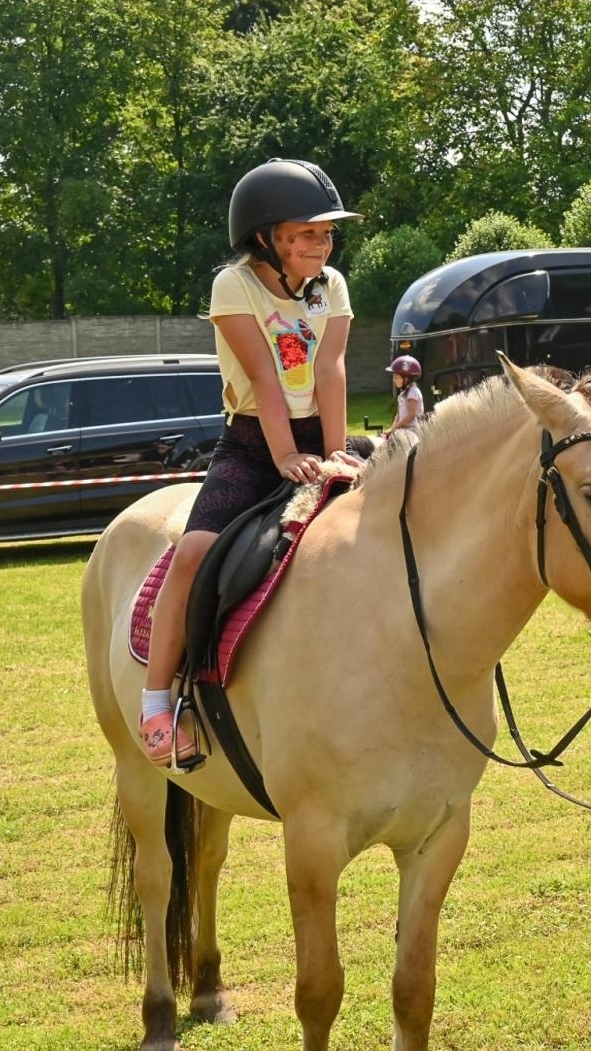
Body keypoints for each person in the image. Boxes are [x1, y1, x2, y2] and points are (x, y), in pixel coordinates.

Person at [138, 158, 364, 768]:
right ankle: (157, 701)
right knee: (192, 552)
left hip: (321, 435)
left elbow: (330, 369)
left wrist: (335, 451)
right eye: (306, 233)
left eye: (326, 233)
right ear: (265, 238)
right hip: (252, 441)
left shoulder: (331, 285)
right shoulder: (233, 286)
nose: (322, 243)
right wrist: (287, 455)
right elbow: (264, 374)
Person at [382, 354, 424, 437]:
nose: (394, 380)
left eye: (396, 377)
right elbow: (398, 416)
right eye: (393, 377)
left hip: (412, 432)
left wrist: (396, 428)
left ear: (406, 379)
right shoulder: (403, 394)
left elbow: (411, 415)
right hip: (403, 431)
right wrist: (391, 429)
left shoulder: (413, 392)